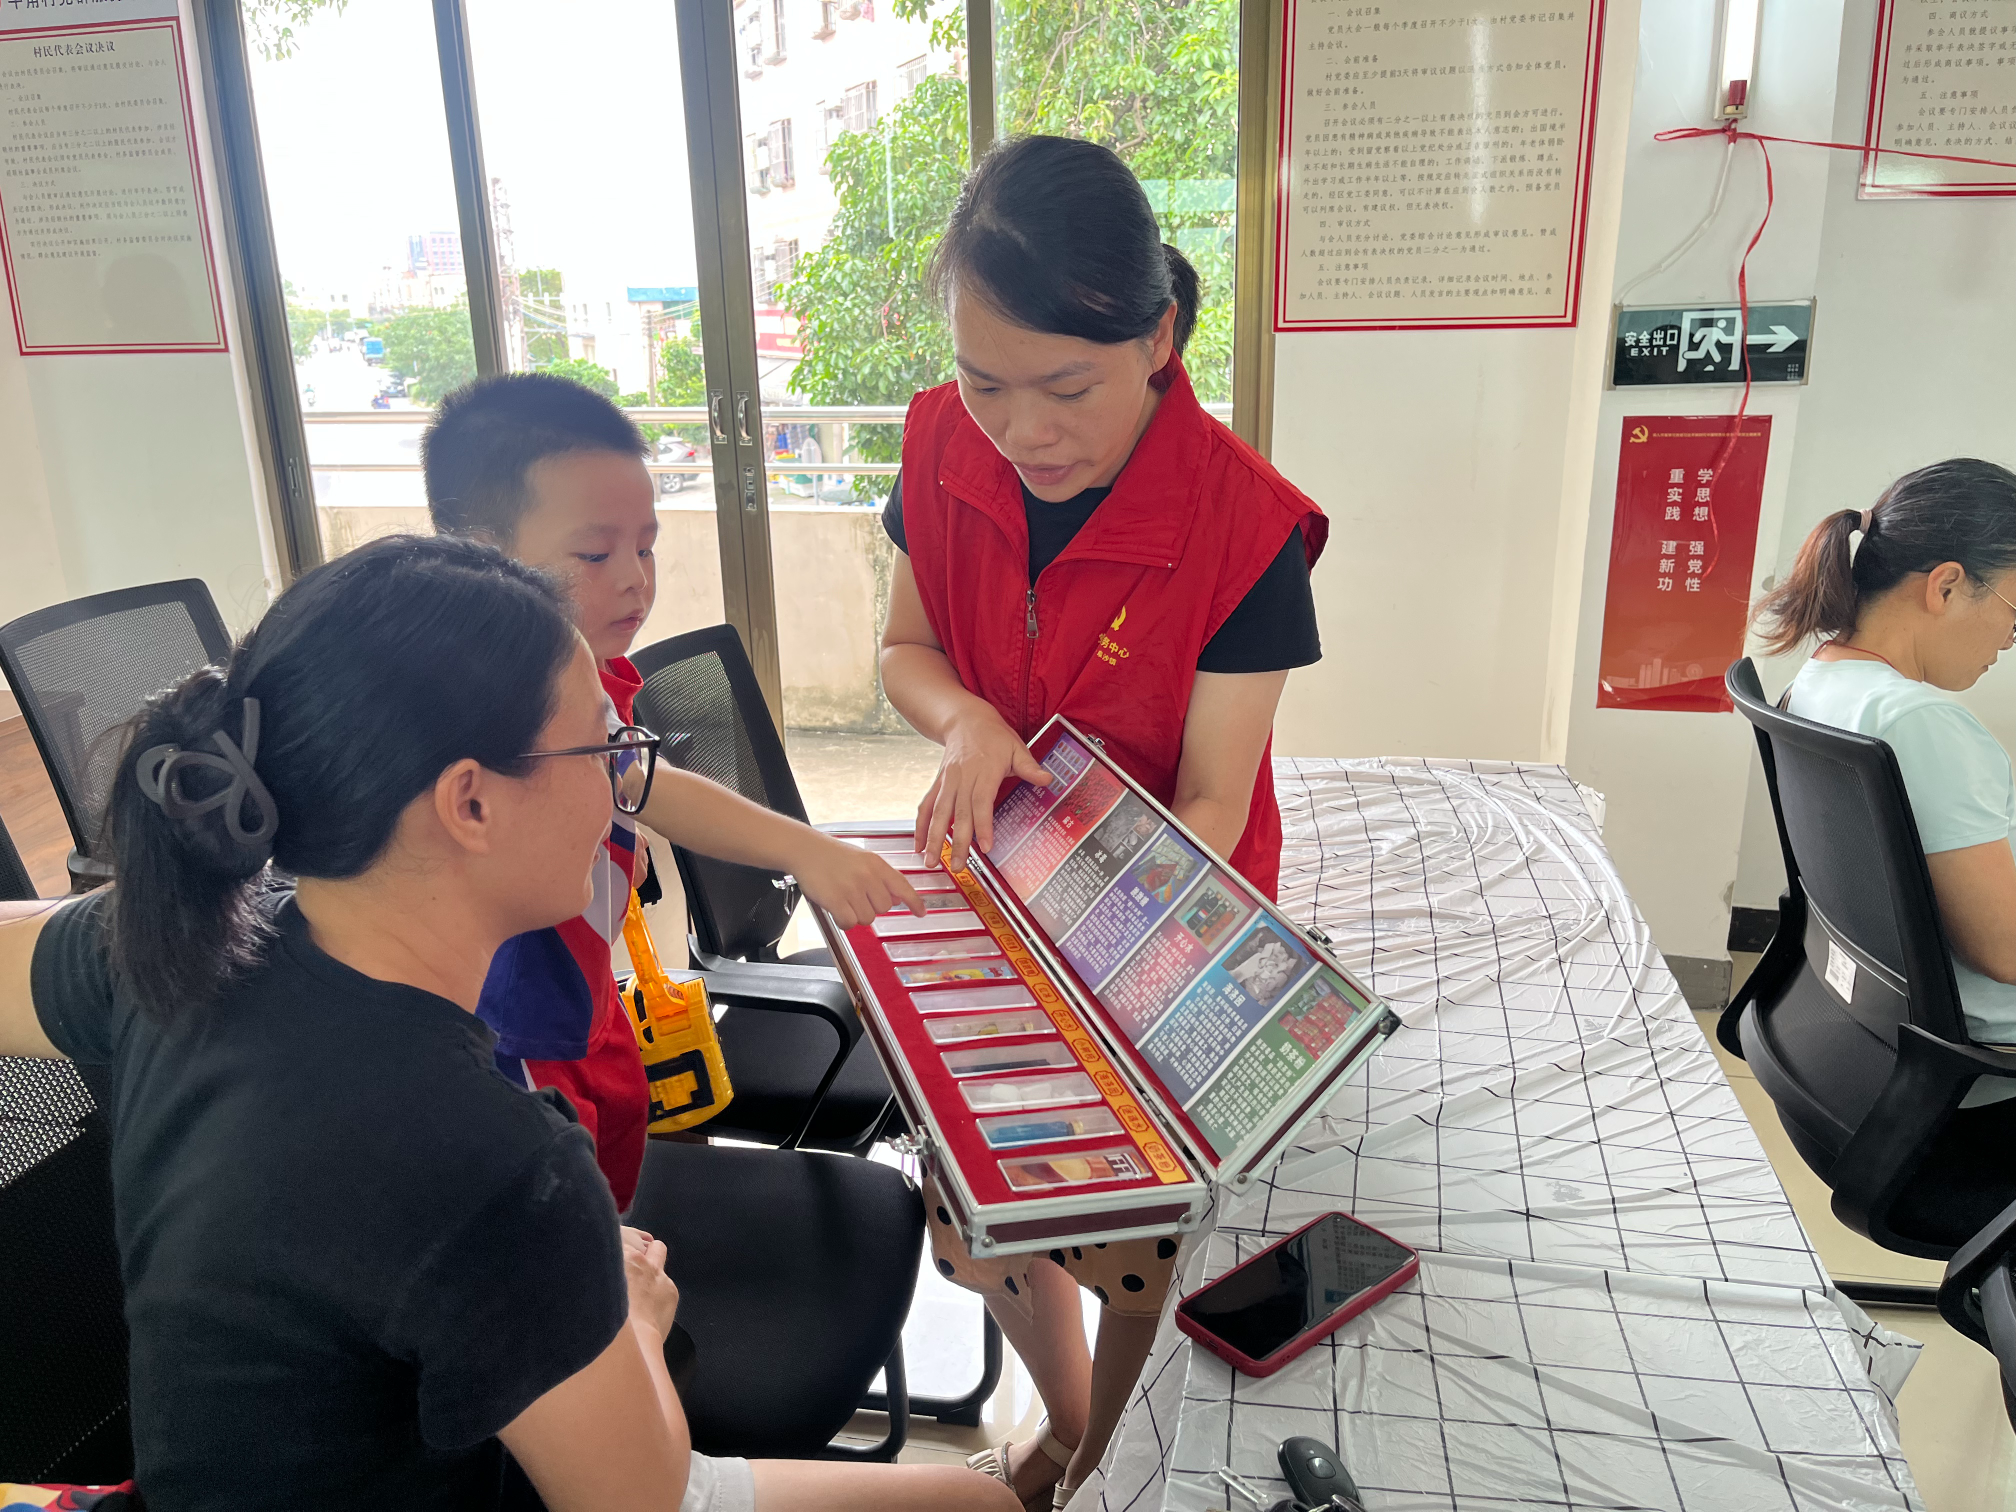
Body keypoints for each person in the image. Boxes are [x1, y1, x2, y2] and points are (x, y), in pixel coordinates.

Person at [0, 535, 1016, 1512]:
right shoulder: (493, 1163)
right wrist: (633, 1320)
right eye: (602, 747)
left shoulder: (179, 939)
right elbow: (645, 1500)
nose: (620, 786)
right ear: (471, 804)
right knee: (976, 1504)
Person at [878, 135, 1326, 1508]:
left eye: (1067, 387)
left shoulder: (1246, 529)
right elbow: (904, 649)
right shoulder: (936, 446)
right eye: (985, 382)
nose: (1023, 432)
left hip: (1164, 915)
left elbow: (1211, 798)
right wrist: (966, 721)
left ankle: (1103, 1456)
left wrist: (1114, 934)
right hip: (991, 884)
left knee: (1139, 1230)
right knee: (986, 1194)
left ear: (1159, 337)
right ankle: (1065, 1432)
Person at [423, 375, 922, 1207]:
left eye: (646, 548)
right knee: (571, 1233)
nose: (635, 579)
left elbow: (644, 784)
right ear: (482, 553)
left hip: (591, 1008)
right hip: (524, 1035)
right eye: (595, 555)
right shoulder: (468, 715)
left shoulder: (588, 676)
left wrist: (806, 848)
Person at [1752, 458, 2016, 1118]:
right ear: (1947, 585)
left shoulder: (1820, 680)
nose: (2011, 640)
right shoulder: (1920, 721)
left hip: (1868, 1034)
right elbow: (2005, 951)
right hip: (1985, 1058)